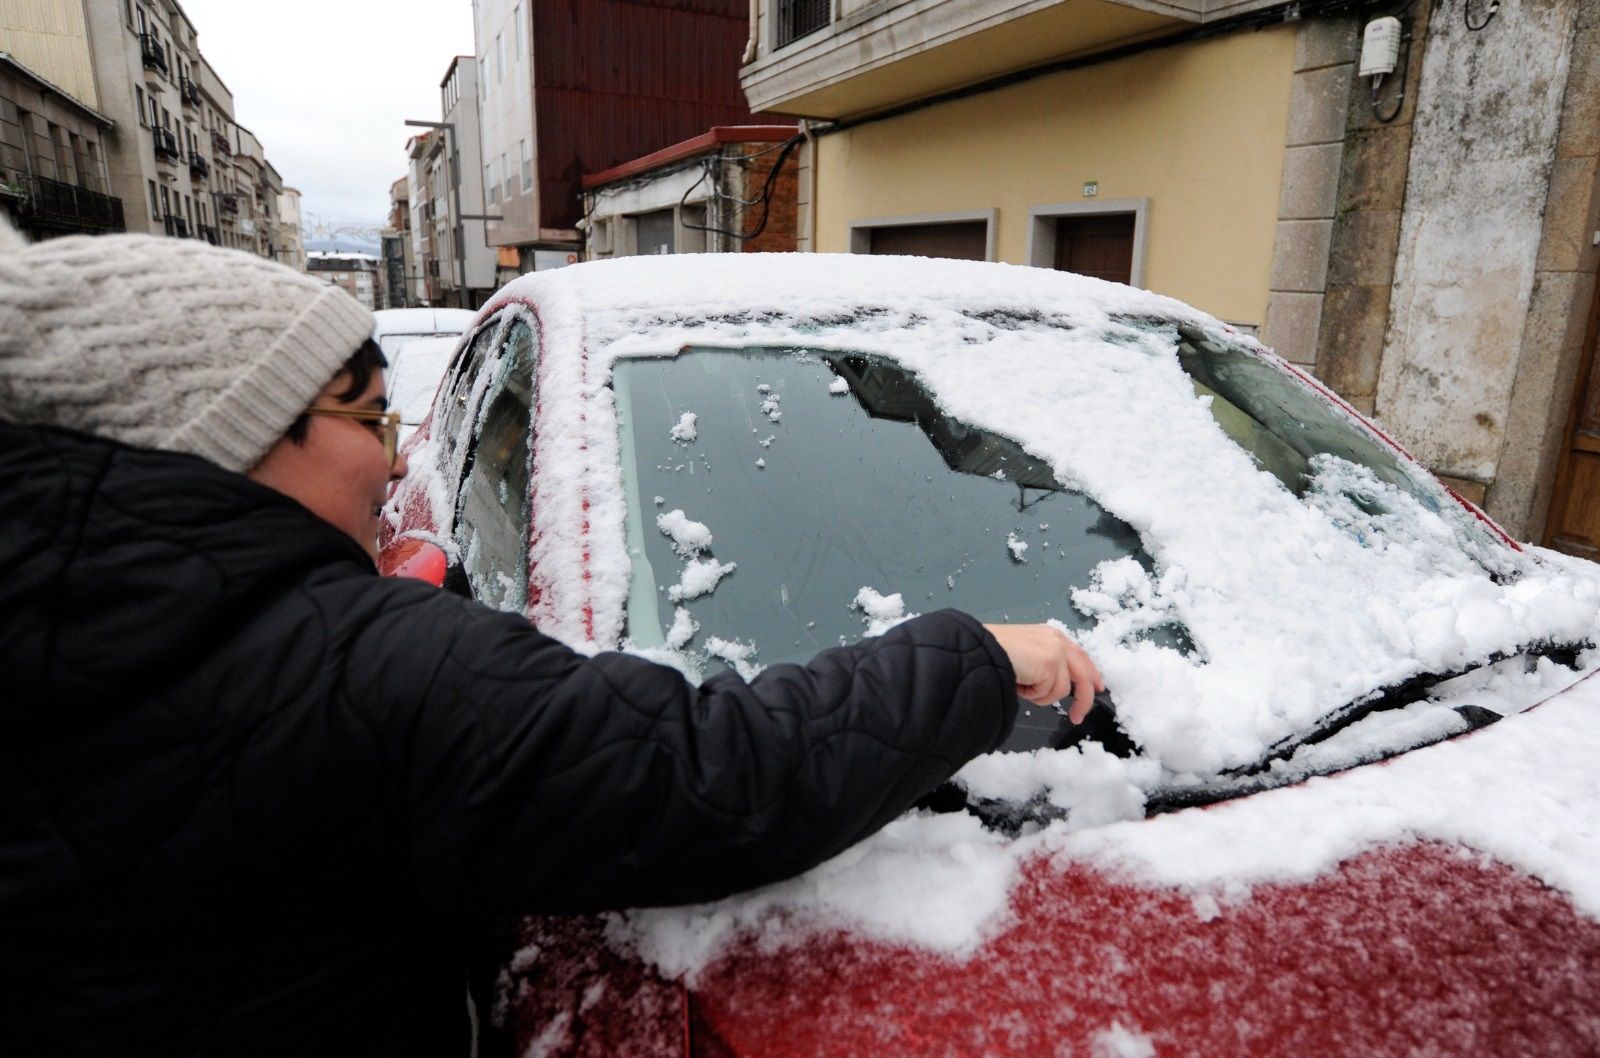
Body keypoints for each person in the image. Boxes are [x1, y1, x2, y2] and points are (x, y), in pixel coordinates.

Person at [0, 224, 1103, 1057]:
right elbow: (708, 773)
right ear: (229, 427)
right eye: (366, 417)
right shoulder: (348, 667)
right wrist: (975, 657)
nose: (393, 464)